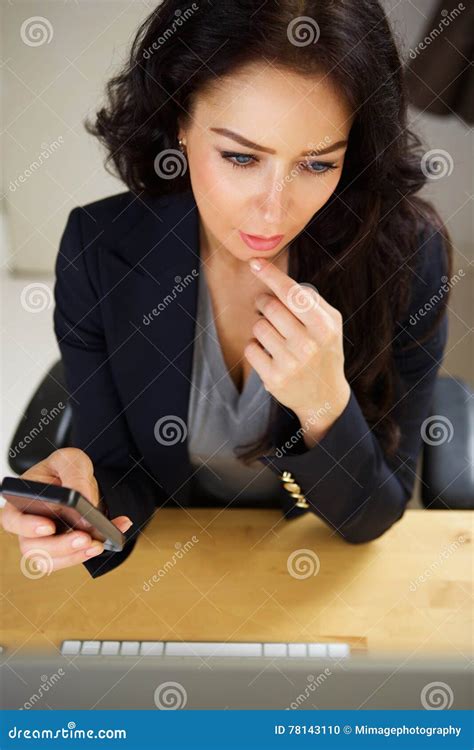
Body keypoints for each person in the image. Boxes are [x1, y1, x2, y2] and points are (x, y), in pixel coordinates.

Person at [1, 0, 452, 579]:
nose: (273, 209)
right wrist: (86, 500)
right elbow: (123, 475)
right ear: (180, 122)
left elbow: (371, 517)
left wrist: (323, 405)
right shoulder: (100, 249)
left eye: (317, 166)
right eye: (241, 157)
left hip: (305, 565)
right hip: (174, 560)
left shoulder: (409, 258)